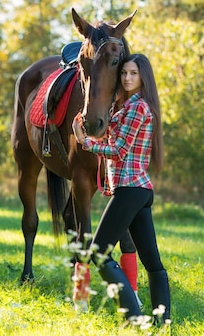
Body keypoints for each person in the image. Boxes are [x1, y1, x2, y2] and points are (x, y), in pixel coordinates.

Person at [72, 53, 170, 324]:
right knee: (152, 261)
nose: (127, 78)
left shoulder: (138, 107)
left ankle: (133, 318)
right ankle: (163, 322)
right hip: (137, 190)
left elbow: (119, 150)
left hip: (130, 189)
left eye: (133, 74)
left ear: (143, 78)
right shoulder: (129, 105)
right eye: (124, 73)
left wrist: (84, 141)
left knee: (99, 253)